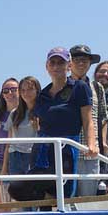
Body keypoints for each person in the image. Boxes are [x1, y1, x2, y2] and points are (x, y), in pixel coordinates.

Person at [14, 47, 95, 202]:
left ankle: (53, 211)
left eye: (61, 63)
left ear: (69, 66)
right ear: (47, 67)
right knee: (17, 188)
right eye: (53, 63)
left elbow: (88, 120)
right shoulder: (43, 95)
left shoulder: (79, 87)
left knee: (62, 193)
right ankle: (44, 209)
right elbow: (37, 119)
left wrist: (92, 144)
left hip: (66, 149)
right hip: (42, 150)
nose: (56, 66)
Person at [69, 45, 108, 196]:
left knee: (88, 200)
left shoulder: (97, 87)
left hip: (90, 152)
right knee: (66, 201)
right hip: (68, 153)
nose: (81, 63)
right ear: (70, 63)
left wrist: (103, 143)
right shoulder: (62, 86)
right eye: (77, 59)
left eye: (85, 60)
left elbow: (103, 117)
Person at [4, 76, 40, 187]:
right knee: (19, 194)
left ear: (37, 90)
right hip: (15, 156)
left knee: (33, 193)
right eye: (23, 90)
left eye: (30, 89)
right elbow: (8, 143)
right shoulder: (15, 113)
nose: (26, 93)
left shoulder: (43, 111)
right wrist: (4, 168)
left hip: (34, 155)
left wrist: (38, 128)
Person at [0, 77, 18, 204]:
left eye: (13, 90)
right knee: (2, 205)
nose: (9, 93)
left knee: (20, 205)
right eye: (6, 91)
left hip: (20, 162)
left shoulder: (26, 113)